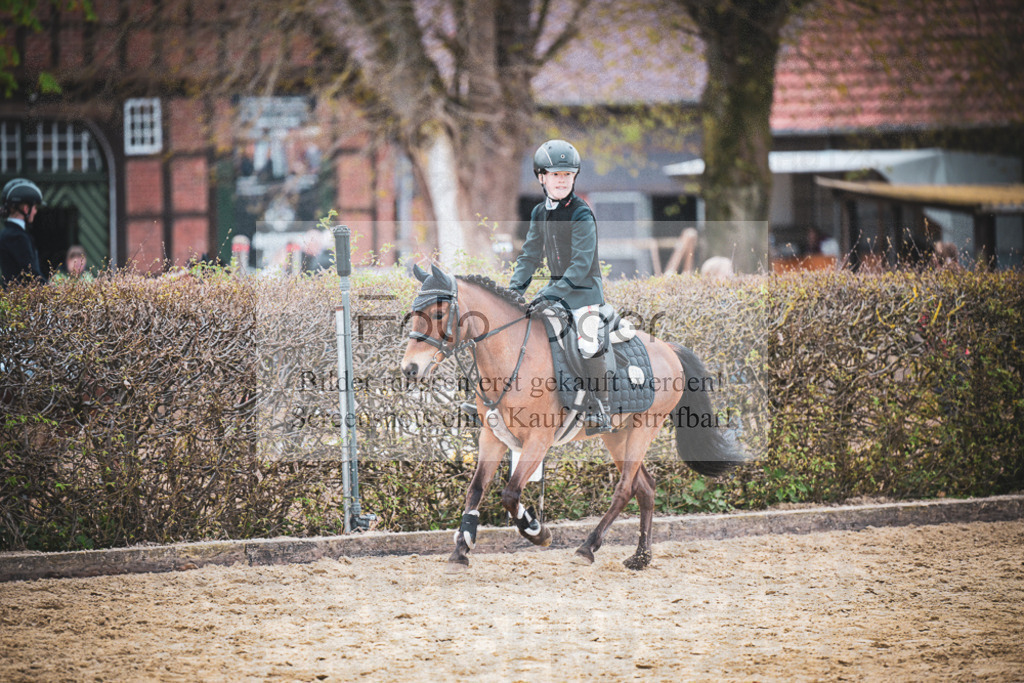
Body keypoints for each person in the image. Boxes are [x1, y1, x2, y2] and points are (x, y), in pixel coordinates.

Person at [508, 139, 614, 433]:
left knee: (588, 340)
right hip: (557, 294)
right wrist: (514, 291)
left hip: (584, 294)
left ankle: (600, 406)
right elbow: (529, 256)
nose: (561, 181)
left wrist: (549, 293)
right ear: (542, 177)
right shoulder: (539, 213)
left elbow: (581, 265)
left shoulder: (581, 213)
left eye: (567, 175)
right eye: (555, 175)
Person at [0, 178, 46, 287]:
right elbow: (31, 274)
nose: (35, 211)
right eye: (34, 207)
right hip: (21, 299)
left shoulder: (8, 233)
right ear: (26, 209)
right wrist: (52, 291)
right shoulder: (17, 236)